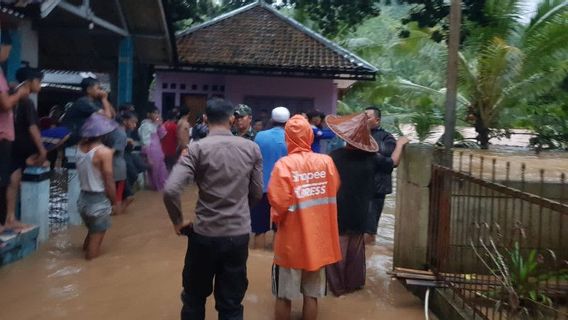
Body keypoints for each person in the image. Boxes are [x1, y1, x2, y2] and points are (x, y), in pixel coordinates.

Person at [163, 97, 263, 320]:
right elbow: (256, 193)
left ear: (206, 119)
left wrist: (178, 221)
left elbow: (170, 190)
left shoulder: (196, 149)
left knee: (194, 299)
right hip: (237, 236)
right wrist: (240, 212)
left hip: (204, 234)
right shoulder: (252, 148)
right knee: (231, 304)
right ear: (232, 119)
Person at [325, 112, 408, 296]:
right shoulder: (372, 158)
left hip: (338, 207)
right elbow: (393, 162)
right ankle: (353, 284)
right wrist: (400, 144)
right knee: (356, 246)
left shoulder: (334, 156)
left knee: (338, 246)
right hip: (362, 208)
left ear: (346, 138)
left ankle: (337, 287)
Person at [268, 114, 342, 320]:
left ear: (287, 138)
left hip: (291, 243)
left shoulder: (283, 165)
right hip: (318, 242)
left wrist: (277, 218)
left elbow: (278, 202)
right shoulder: (326, 162)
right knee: (312, 295)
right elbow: (333, 188)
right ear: (310, 136)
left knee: (284, 295)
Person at [5, 65, 46, 232]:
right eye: (39, 82)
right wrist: (42, 150)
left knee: (13, 180)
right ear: (31, 81)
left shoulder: (12, 95)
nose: (40, 86)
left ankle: (10, 217)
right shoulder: (26, 101)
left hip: (11, 146)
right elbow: (32, 128)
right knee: (13, 182)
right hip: (17, 147)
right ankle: (10, 217)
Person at [0, 32, 31, 233]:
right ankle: (3, 223)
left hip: (5, 136)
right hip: (2, 135)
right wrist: (19, 94)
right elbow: (5, 105)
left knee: (5, 180)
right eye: (7, 50)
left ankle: (6, 221)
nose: (7, 55)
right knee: (2, 182)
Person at [76, 113, 117, 260]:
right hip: (98, 201)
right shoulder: (104, 152)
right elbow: (109, 181)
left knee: (92, 232)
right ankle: (89, 274)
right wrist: (115, 202)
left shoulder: (79, 147)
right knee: (92, 254)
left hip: (82, 201)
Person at [250, 106, 290, 249]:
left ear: (272, 120)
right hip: (283, 190)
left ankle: (256, 254)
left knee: (259, 230)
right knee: (279, 229)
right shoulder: (291, 138)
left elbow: (253, 160)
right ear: (288, 121)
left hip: (261, 187)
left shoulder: (260, 136)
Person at [365, 106, 397, 243]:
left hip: (376, 188)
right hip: (358, 186)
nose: (364, 120)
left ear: (377, 120)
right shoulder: (355, 135)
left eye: (368, 117)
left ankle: (368, 256)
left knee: (369, 229)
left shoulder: (386, 137)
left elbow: (387, 157)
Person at [61, 77, 114, 145]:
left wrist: (105, 100)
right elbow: (107, 117)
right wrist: (104, 99)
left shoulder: (95, 102)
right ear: (89, 89)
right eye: (98, 88)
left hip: (81, 135)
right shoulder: (84, 102)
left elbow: (113, 115)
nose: (100, 91)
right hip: (72, 136)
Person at [103, 114, 129, 215]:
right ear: (124, 122)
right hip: (118, 165)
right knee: (118, 194)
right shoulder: (121, 134)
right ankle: (117, 213)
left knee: (108, 190)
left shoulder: (108, 132)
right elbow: (115, 150)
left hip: (108, 165)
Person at [138, 106, 168, 191]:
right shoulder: (145, 125)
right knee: (154, 173)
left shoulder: (155, 124)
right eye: (155, 113)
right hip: (151, 152)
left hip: (158, 151)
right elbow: (145, 142)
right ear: (149, 114)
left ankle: (161, 189)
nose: (157, 115)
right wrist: (148, 157)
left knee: (162, 170)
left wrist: (160, 125)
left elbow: (162, 135)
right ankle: (155, 189)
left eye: (158, 113)